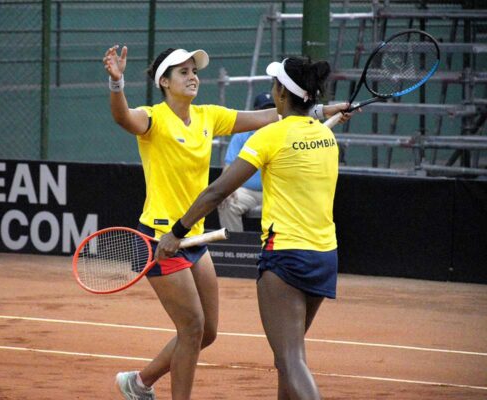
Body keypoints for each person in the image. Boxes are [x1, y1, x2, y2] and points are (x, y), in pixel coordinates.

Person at [103, 44, 350, 400]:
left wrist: (325, 110)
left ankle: (138, 383)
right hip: (163, 237)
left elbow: (272, 117)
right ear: (164, 82)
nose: (193, 77)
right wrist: (116, 83)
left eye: (194, 71)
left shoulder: (208, 116)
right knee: (191, 327)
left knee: (208, 332)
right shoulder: (152, 118)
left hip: (193, 236)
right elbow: (123, 117)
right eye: (183, 72)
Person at [217, 92, 274, 232]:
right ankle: (236, 249)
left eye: (272, 109)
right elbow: (229, 167)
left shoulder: (282, 134)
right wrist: (227, 190)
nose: (267, 114)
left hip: (274, 191)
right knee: (227, 202)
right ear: (255, 112)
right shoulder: (242, 135)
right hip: (246, 192)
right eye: (263, 110)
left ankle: (283, 250)